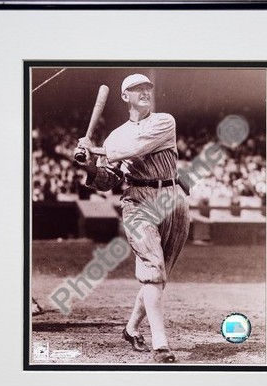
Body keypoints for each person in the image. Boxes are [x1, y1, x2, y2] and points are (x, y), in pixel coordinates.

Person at [74, 73, 190, 363]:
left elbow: (135, 147)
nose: (145, 92)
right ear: (125, 96)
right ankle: (160, 344)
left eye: (147, 88)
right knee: (153, 269)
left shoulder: (165, 121)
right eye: (137, 89)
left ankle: (131, 329)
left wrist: (94, 148)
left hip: (173, 198)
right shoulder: (116, 135)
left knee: (158, 278)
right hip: (138, 202)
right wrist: (89, 166)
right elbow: (106, 181)